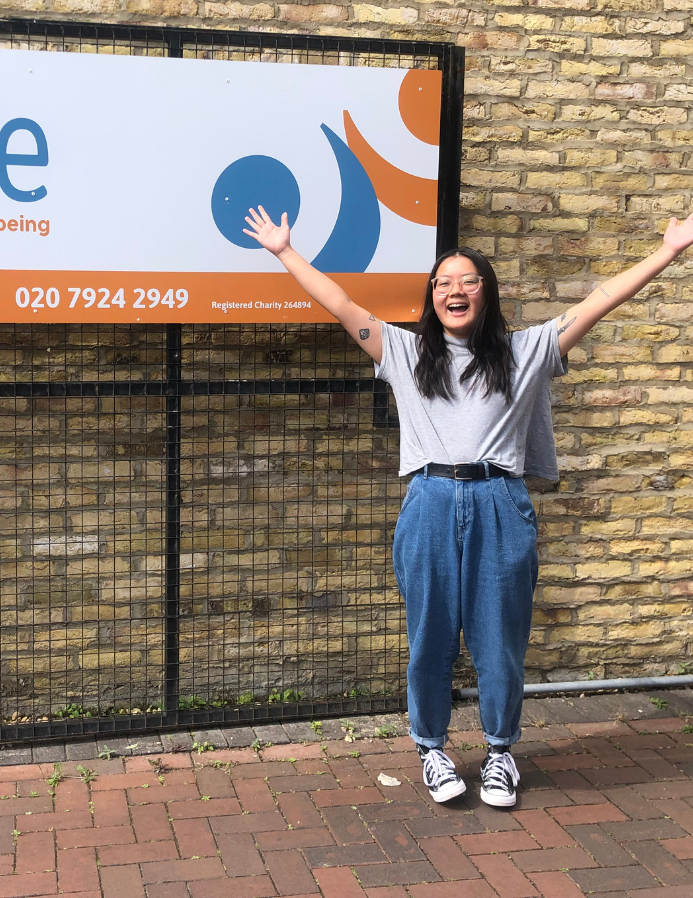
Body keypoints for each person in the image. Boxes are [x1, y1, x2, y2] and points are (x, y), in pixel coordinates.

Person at [243, 204, 693, 807]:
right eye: (443, 282)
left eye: (468, 280)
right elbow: (342, 306)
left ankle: (500, 752)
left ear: (487, 292)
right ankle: (432, 748)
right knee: (429, 637)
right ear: (432, 297)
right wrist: (284, 251)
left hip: (500, 502)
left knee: (499, 638)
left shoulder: (527, 351)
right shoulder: (402, 353)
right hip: (429, 502)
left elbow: (599, 300)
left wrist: (668, 253)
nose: (455, 289)